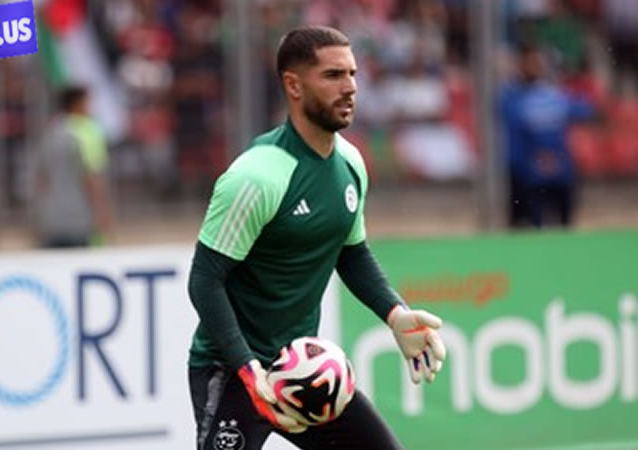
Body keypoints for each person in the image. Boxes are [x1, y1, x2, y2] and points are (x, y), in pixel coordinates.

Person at [187, 26, 446, 450]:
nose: (350, 87)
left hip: (303, 370)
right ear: (293, 85)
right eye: (333, 75)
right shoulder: (256, 175)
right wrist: (248, 368)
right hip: (232, 371)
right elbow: (204, 279)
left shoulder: (351, 163)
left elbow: (352, 253)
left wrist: (395, 312)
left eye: (352, 74)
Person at [500, 44, 595, 228]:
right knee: (529, 225)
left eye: (537, 62)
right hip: (528, 174)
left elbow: (586, 110)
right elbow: (513, 141)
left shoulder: (553, 94)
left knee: (565, 222)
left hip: (559, 170)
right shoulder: (511, 97)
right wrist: (522, 167)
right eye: (529, 62)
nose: (534, 67)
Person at [32, 86, 112, 248]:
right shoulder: (87, 132)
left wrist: (39, 215)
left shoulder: (51, 132)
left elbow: (40, 178)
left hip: (51, 219)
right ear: (76, 104)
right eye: (87, 102)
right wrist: (102, 212)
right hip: (80, 219)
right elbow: (91, 177)